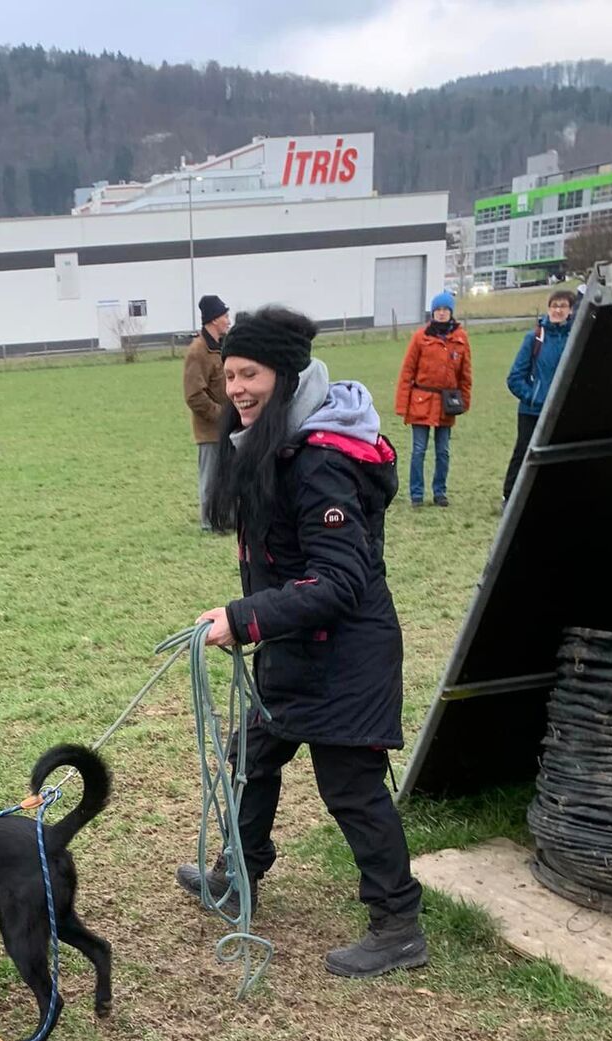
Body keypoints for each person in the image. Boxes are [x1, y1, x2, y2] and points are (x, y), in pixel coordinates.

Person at [176, 304, 427, 979]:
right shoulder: (279, 442)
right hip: (295, 646)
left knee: (351, 787)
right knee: (252, 757)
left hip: (347, 656)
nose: (236, 390)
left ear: (285, 376)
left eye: (250, 375)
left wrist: (244, 618)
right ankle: (239, 875)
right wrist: (251, 617)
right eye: (230, 375)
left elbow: (340, 581)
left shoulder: (319, 462)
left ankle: (398, 925)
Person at [393, 291, 471, 508]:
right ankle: (416, 494)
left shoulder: (461, 339)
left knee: (443, 451)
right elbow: (407, 371)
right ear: (432, 312)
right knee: (419, 450)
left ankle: (440, 492)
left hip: (447, 403)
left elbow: (466, 374)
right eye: (438, 310)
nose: (442, 313)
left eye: (445, 310)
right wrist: (402, 405)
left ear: (451, 312)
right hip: (421, 401)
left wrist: (464, 401)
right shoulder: (420, 337)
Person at [502, 289, 574, 503]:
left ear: (571, 310)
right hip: (532, 411)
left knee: (559, 454)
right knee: (524, 452)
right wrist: (534, 398)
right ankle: (510, 496)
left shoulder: (574, 338)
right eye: (554, 306)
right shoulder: (534, 338)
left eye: (563, 306)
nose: (558, 310)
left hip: (562, 411)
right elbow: (515, 377)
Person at [183, 294, 230, 530]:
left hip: (229, 427)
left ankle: (227, 518)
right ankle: (209, 522)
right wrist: (221, 415)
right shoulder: (197, 351)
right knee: (210, 479)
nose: (228, 320)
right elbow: (194, 395)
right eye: (225, 316)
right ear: (213, 319)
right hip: (210, 430)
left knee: (228, 476)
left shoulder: (223, 347)